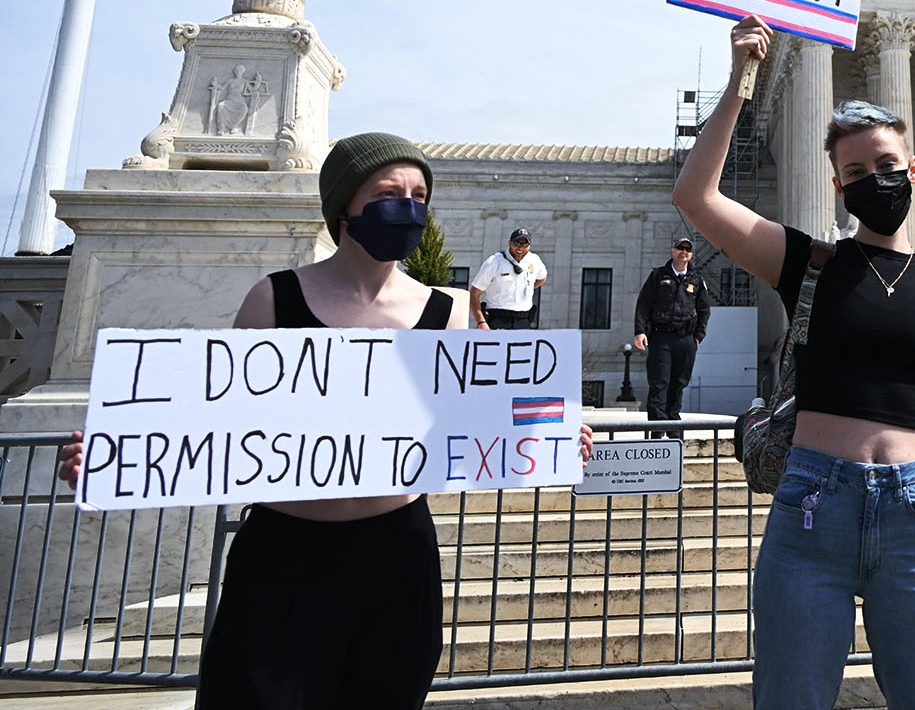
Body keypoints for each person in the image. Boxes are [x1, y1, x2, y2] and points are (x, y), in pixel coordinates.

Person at [58, 133, 594, 709]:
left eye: (419, 195)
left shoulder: (448, 314)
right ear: (344, 205)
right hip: (283, 557)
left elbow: (473, 422)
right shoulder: (274, 300)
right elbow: (209, 421)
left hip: (396, 557)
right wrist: (118, 452)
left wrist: (554, 436)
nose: (409, 207)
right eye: (389, 193)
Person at [672, 15, 915, 710]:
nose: (874, 180)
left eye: (886, 167)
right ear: (838, 187)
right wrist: (740, 81)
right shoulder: (809, 264)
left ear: (912, 170)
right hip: (814, 506)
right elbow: (695, 199)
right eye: (856, 173)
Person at [633, 235, 713, 437]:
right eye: (680, 248)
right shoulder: (658, 276)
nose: (683, 252)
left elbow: (704, 309)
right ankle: (657, 429)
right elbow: (643, 304)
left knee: (679, 383)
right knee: (659, 382)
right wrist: (640, 331)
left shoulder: (696, 279)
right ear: (673, 251)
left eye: (687, 249)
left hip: (686, 339)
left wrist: (698, 336)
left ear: (691, 254)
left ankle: (673, 426)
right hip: (661, 337)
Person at [469, 227, 547, 330]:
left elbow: (542, 278)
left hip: (523, 321)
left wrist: (527, 288)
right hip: (498, 319)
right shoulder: (494, 262)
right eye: (517, 243)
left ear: (529, 246)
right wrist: (481, 321)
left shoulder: (534, 260)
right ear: (509, 243)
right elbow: (474, 293)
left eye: (524, 245)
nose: (520, 248)